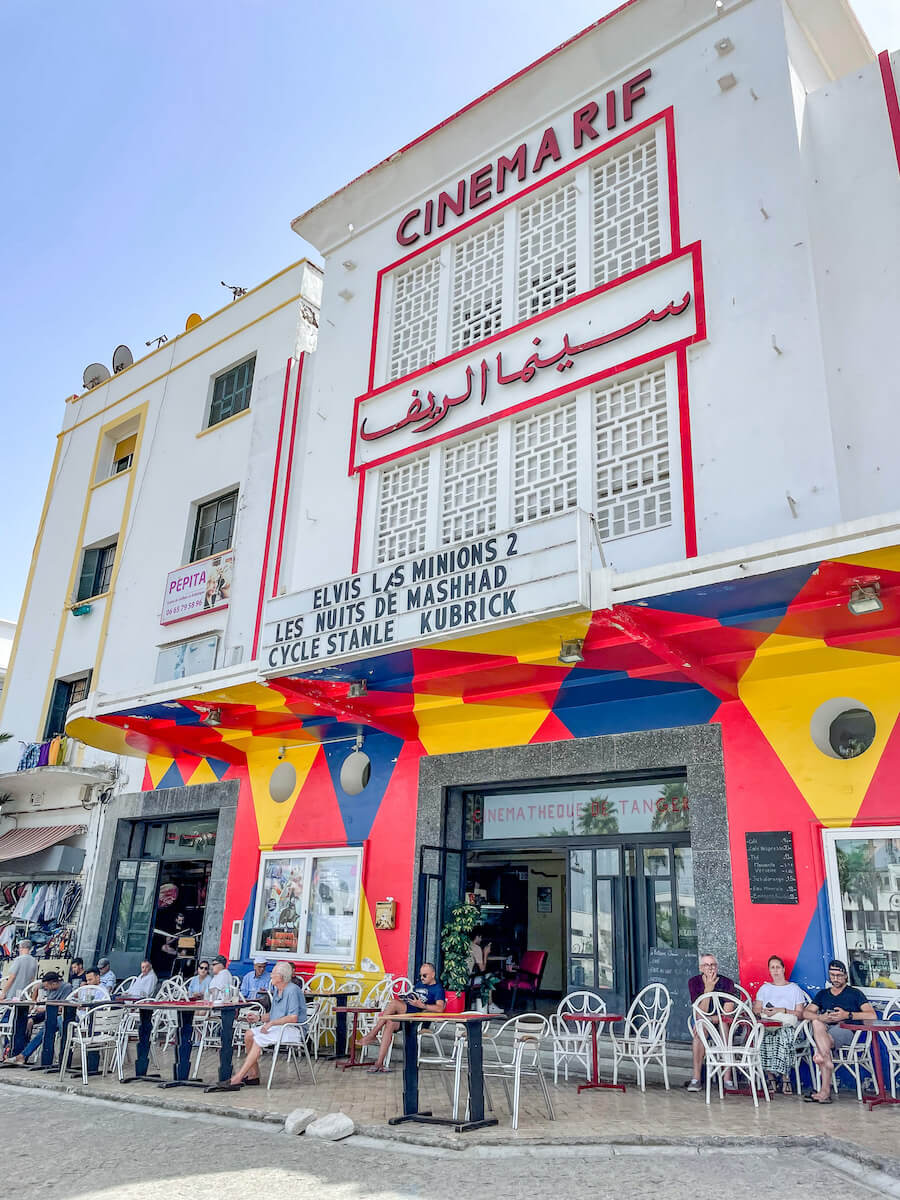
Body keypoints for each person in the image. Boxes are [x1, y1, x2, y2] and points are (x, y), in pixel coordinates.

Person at [803, 958, 876, 1104]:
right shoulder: (823, 994)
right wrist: (821, 1016)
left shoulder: (855, 993)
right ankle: (826, 1059)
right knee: (816, 1022)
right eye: (832, 975)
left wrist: (847, 1015)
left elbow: (871, 1015)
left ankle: (822, 1060)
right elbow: (806, 1013)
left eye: (839, 976)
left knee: (822, 1040)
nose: (835, 979)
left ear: (845, 976)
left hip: (846, 1030)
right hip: (825, 1030)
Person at [228, 961, 307, 1087]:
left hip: (294, 1029)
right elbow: (274, 1014)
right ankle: (254, 1075)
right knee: (249, 1034)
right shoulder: (277, 990)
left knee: (258, 1038)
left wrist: (271, 1024)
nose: (270, 975)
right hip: (279, 1026)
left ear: (281, 977)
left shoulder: (292, 990)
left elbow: (293, 1018)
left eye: (273, 973)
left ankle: (238, 1077)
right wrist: (258, 1017)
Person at [360, 962, 446, 1074]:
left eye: (425, 975)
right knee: (390, 1023)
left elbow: (440, 1008)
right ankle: (379, 1063)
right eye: (420, 975)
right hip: (409, 1011)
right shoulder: (419, 985)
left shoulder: (438, 989)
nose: (422, 978)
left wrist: (422, 1006)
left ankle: (373, 1034)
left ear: (433, 974)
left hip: (418, 1015)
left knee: (394, 1003)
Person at [753, 954, 807, 1094]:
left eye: (778, 967)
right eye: (772, 968)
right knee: (763, 1038)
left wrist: (781, 1010)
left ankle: (785, 1079)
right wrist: (764, 1011)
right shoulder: (765, 989)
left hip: (789, 1028)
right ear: (769, 971)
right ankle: (770, 1078)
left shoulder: (794, 989)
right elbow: (756, 1009)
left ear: (783, 969)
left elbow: (800, 1014)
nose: (775, 970)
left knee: (783, 1036)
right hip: (769, 1025)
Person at [685, 951, 738, 1092]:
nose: (710, 968)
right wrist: (707, 991)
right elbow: (698, 1014)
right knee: (701, 1028)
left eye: (713, 965)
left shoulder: (727, 983)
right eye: (706, 965)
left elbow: (728, 1013)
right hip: (703, 1020)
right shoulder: (694, 982)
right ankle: (696, 1078)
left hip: (722, 1021)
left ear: (717, 967)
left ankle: (727, 1079)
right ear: (701, 968)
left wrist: (709, 1018)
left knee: (724, 1026)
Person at [4, 972, 72, 1065]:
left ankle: (23, 1056)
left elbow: (64, 1006)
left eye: (47, 986)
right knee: (29, 1022)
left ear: (54, 983)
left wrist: (43, 1008)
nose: (46, 989)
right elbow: (37, 987)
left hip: (61, 1015)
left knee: (46, 1029)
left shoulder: (66, 987)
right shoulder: (46, 987)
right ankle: (21, 1054)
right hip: (47, 1013)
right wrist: (34, 997)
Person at [0, 939, 38, 1004]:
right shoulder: (34, 961)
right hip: (24, 994)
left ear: (21, 947)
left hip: (13, 993)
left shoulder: (18, 960)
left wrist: (3, 992)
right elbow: (32, 979)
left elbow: (12, 977)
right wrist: (27, 992)